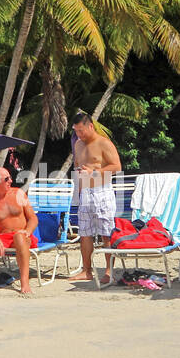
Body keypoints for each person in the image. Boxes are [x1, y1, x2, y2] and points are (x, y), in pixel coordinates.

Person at [66, 111, 121, 285]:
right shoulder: (78, 145)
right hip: (85, 193)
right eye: (76, 131)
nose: (78, 134)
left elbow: (117, 166)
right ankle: (87, 270)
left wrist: (94, 172)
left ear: (90, 126)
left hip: (102, 191)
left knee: (106, 233)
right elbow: (79, 167)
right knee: (85, 233)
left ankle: (108, 270)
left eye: (81, 130)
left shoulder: (104, 143)